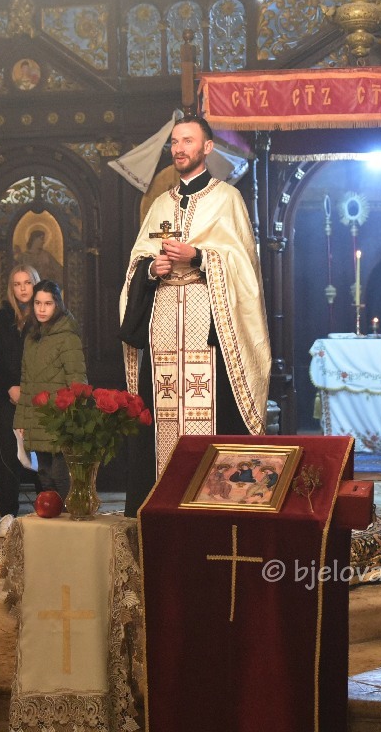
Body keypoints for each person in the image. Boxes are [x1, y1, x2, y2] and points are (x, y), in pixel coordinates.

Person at [119, 115, 271, 515]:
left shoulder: (227, 199)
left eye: (187, 140)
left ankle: (214, 505)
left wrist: (200, 256)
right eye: (174, 142)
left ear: (207, 147)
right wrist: (152, 269)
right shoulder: (159, 204)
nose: (179, 148)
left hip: (210, 326)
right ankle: (160, 506)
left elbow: (245, 267)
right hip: (163, 326)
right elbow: (137, 260)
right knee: (161, 414)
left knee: (213, 413)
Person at [13, 280, 86, 498]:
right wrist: (21, 421)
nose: (42, 309)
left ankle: (70, 517)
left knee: (60, 476)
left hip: (60, 417)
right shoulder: (31, 338)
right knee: (44, 477)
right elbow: (26, 382)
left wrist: (74, 419)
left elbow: (78, 381)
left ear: (57, 305)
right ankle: (54, 517)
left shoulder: (68, 337)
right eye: (37, 303)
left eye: (48, 303)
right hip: (37, 417)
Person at [0, 263, 43, 525]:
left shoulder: (44, 316)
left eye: (27, 283)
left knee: (41, 453)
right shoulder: (0, 320)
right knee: (9, 456)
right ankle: (8, 514)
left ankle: (47, 508)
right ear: (11, 288)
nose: (22, 289)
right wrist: (10, 387)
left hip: (38, 397)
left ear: (35, 284)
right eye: (17, 284)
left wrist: (30, 391)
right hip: (7, 396)